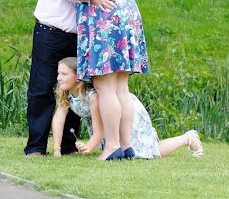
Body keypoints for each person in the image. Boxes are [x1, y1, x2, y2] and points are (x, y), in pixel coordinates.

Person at [25, 0, 131, 156]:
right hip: (51, 31)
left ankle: (70, 146)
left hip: (82, 34)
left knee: (78, 89)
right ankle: (36, 146)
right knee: (41, 89)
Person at [48, 0, 149, 160]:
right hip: (126, 22)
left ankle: (112, 144)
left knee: (105, 89)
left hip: (104, 25)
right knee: (121, 89)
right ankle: (126, 145)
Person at [51, 57, 204, 158]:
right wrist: (56, 149)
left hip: (126, 113)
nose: (59, 78)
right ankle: (150, 135)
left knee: (148, 153)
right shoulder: (67, 94)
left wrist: (89, 147)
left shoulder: (93, 97)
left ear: (78, 79)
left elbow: (101, 128)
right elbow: (59, 118)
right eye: (58, 73)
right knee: (128, 152)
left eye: (64, 74)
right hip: (110, 121)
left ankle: (188, 138)